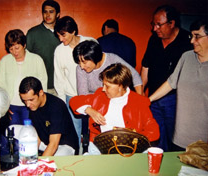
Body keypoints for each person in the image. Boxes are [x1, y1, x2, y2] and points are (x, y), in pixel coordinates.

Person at [70, 63, 160, 154]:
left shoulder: (139, 102)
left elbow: (154, 131)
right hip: (101, 145)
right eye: (103, 85)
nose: (103, 89)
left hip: (130, 147)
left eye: (107, 86)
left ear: (121, 86)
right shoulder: (100, 95)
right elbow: (74, 101)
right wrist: (89, 110)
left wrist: (131, 138)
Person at [149, 18, 208, 150]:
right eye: (191, 36)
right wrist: (148, 100)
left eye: (197, 36)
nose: (192, 41)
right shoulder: (186, 57)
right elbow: (170, 83)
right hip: (180, 137)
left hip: (204, 141)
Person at [140, 5, 193, 152]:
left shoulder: (187, 42)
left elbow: (175, 81)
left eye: (159, 24)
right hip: (153, 97)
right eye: (153, 24)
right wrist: (141, 93)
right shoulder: (154, 40)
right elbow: (145, 67)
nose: (155, 28)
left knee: (174, 138)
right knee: (156, 138)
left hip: (175, 99)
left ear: (172, 23)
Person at [54, 16, 97, 144]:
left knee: (95, 130)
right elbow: (59, 78)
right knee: (74, 133)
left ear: (73, 31)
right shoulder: (59, 51)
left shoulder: (91, 42)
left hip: (93, 96)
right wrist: (62, 102)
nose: (61, 39)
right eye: (58, 36)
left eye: (63, 35)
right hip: (71, 97)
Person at [0, 29, 47, 125]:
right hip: (11, 105)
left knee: (30, 133)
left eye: (17, 48)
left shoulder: (36, 60)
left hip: (31, 105)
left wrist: (39, 104)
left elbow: (43, 83)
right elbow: (0, 84)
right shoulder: (4, 61)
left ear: (24, 45)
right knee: (13, 134)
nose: (14, 52)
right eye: (11, 49)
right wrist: (4, 105)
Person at [19, 76, 79, 156]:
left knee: (57, 158)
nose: (28, 104)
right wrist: (30, 157)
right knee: (13, 130)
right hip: (46, 142)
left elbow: (54, 144)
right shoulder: (33, 105)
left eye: (31, 100)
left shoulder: (56, 106)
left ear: (40, 93)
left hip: (64, 145)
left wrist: (41, 164)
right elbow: (36, 136)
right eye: (24, 101)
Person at [73, 40, 142, 95]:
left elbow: (135, 76)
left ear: (94, 57)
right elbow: (83, 94)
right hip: (95, 103)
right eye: (79, 63)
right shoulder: (80, 69)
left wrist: (139, 100)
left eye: (84, 62)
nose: (81, 66)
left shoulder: (112, 59)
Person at [26, 0, 60, 95]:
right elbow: (26, 59)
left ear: (58, 14)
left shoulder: (63, 33)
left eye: (51, 12)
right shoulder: (33, 33)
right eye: (45, 12)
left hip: (60, 86)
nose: (48, 15)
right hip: (39, 87)